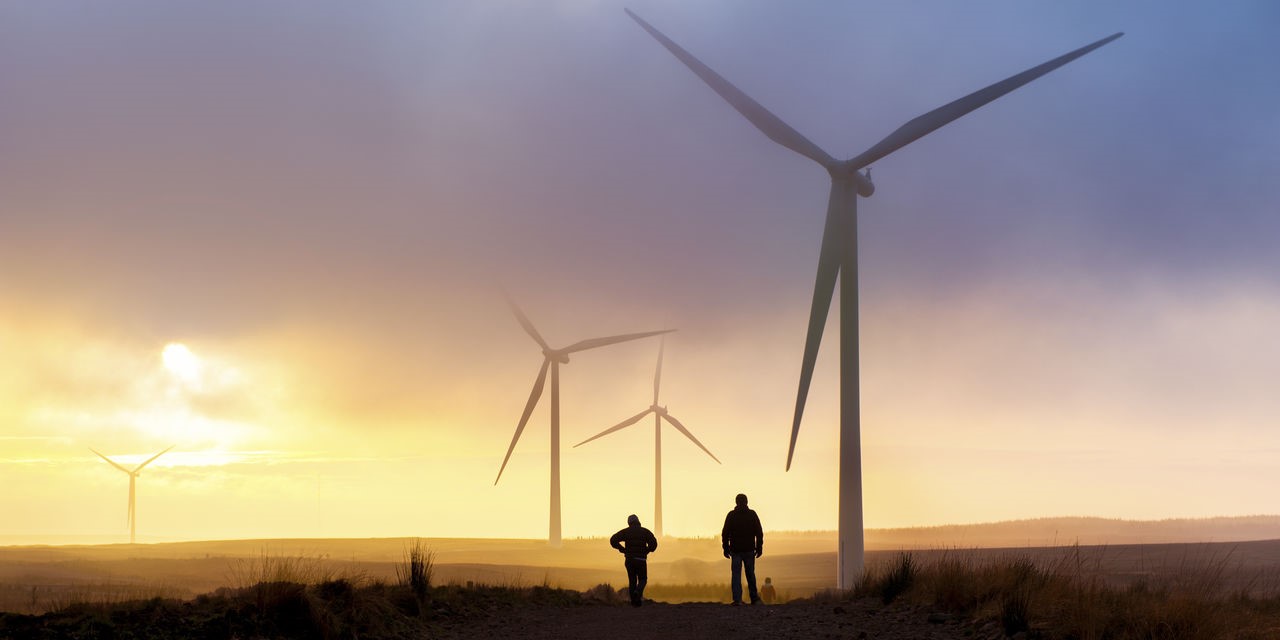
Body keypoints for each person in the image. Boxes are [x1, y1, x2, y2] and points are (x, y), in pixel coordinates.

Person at [721, 493, 763, 605]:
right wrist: (759, 547)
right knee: (750, 574)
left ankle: (737, 599)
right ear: (747, 502)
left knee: (736, 575)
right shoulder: (752, 514)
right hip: (749, 549)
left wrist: (725, 548)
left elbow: (725, 533)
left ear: (736, 502)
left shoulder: (731, 515)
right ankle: (754, 598)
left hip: (735, 550)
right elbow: (759, 532)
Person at [610, 514, 658, 607]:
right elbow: (654, 544)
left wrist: (622, 549)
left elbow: (613, 540)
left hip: (629, 559)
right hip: (641, 560)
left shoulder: (626, 532)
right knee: (643, 579)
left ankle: (634, 602)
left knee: (632, 581)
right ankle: (638, 592)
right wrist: (647, 550)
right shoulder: (645, 532)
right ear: (638, 521)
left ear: (629, 523)